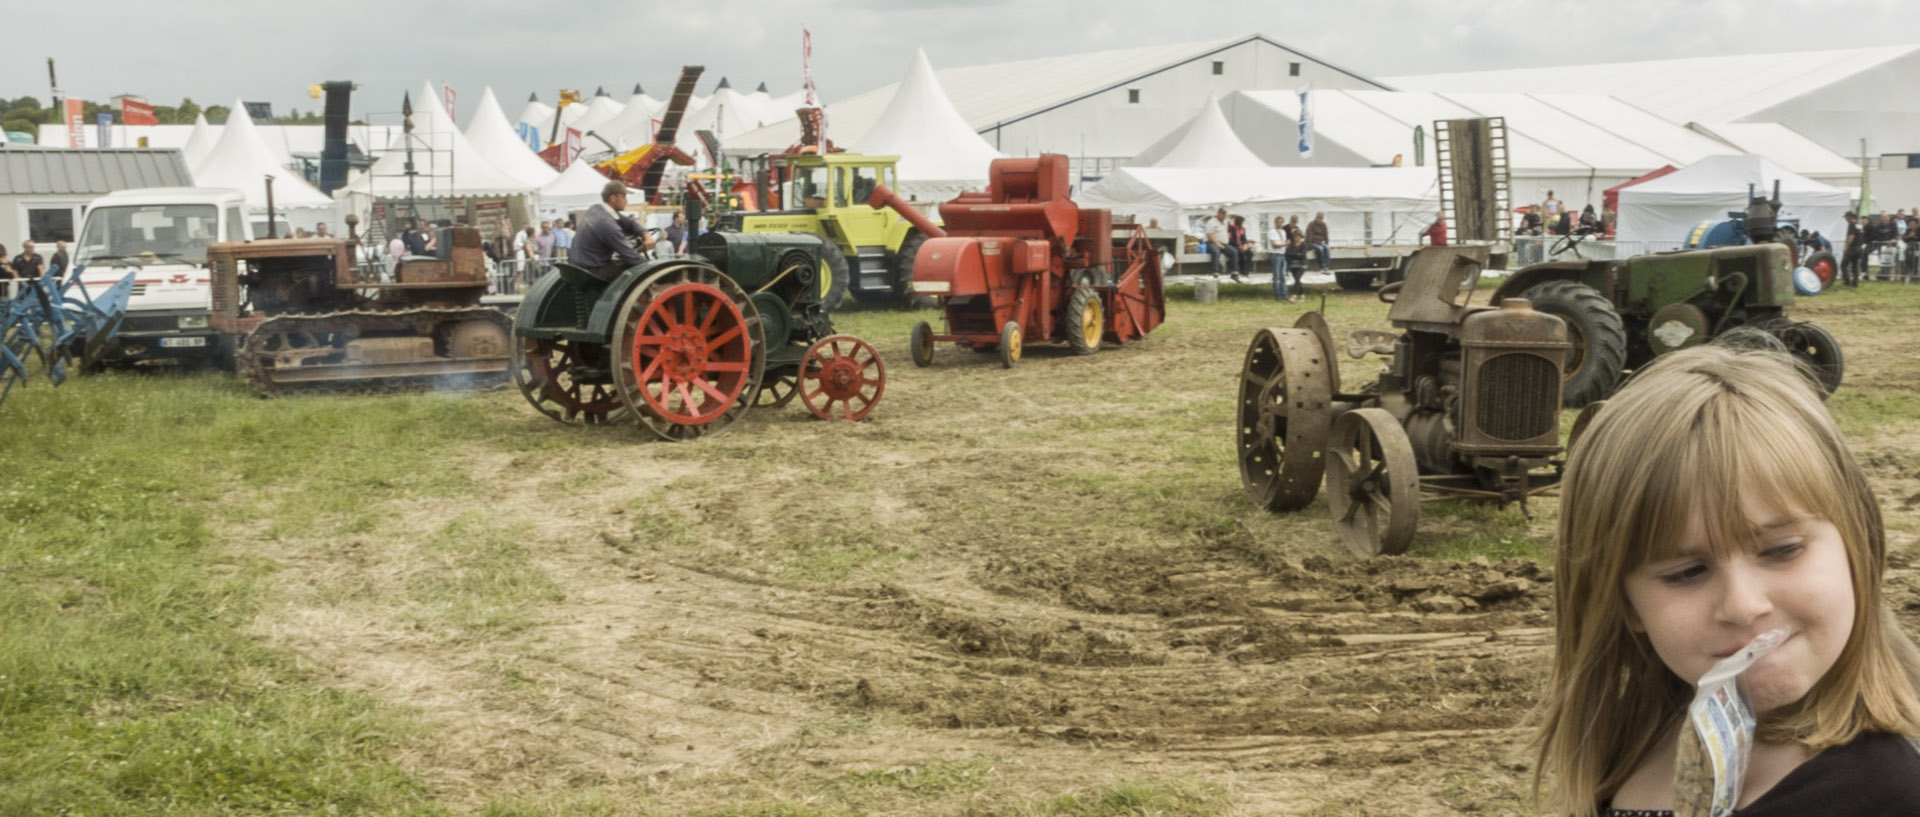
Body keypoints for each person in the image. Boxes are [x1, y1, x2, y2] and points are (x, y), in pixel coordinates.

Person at [1531, 343, 1920, 817]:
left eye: (1782, 550)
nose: (1742, 605)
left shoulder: (1888, 793)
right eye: (1686, 573)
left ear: (1858, 545)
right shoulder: (1641, 746)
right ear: (1625, 602)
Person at [571, 180, 653, 280]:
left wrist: (646, 235)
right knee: (635, 267)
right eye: (623, 196)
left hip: (577, 267)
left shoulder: (596, 209)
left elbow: (629, 222)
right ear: (613, 198)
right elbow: (631, 256)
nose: (626, 201)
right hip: (591, 271)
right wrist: (652, 268)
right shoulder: (606, 224)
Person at [1203, 207, 1235, 277]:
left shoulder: (1226, 222)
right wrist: (1217, 243)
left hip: (1224, 243)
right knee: (1216, 252)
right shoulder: (1212, 222)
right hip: (1212, 242)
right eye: (1222, 214)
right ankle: (1215, 272)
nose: (1224, 215)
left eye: (1225, 214)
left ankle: (1234, 271)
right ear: (1218, 214)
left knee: (1233, 251)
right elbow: (1209, 235)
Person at [1266, 215, 1290, 301]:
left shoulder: (1283, 232)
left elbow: (1282, 243)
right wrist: (1285, 244)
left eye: (1281, 222)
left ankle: (1284, 294)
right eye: (1278, 222)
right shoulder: (1272, 231)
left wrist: (1285, 245)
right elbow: (1274, 245)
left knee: (1283, 275)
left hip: (1282, 254)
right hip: (1275, 254)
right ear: (1275, 222)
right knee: (1277, 275)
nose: (1279, 224)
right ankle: (1277, 295)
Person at [1283, 215, 1307, 301]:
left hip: (1301, 265)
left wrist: (1295, 254)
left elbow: (1303, 255)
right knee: (1298, 280)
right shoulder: (1291, 244)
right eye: (1294, 236)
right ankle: (1303, 295)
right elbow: (1288, 253)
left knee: (1297, 279)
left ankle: (1294, 295)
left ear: (1301, 236)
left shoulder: (1304, 244)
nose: (1296, 238)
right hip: (1293, 265)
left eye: (1297, 236)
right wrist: (1297, 254)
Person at [1226, 214, 1252, 282]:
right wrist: (1238, 245)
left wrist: (1245, 245)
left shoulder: (1242, 229)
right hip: (1233, 245)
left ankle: (1246, 271)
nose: (1243, 224)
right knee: (1241, 253)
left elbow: (1244, 239)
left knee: (1249, 253)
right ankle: (1240, 270)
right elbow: (1230, 239)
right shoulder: (1231, 228)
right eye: (1242, 223)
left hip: (1240, 245)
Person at [1842, 212, 1865, 287]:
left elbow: (1851, 237)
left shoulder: (1851, 224)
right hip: (1859, 248)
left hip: (1853, 248)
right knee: (1855, 265)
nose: (1845, 219)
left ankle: (1847, 281)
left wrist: (1847, 246)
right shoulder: (1859, 225)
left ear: (1850, 217)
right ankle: (1855, 282)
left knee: (1843, 265)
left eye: (1846, 217)